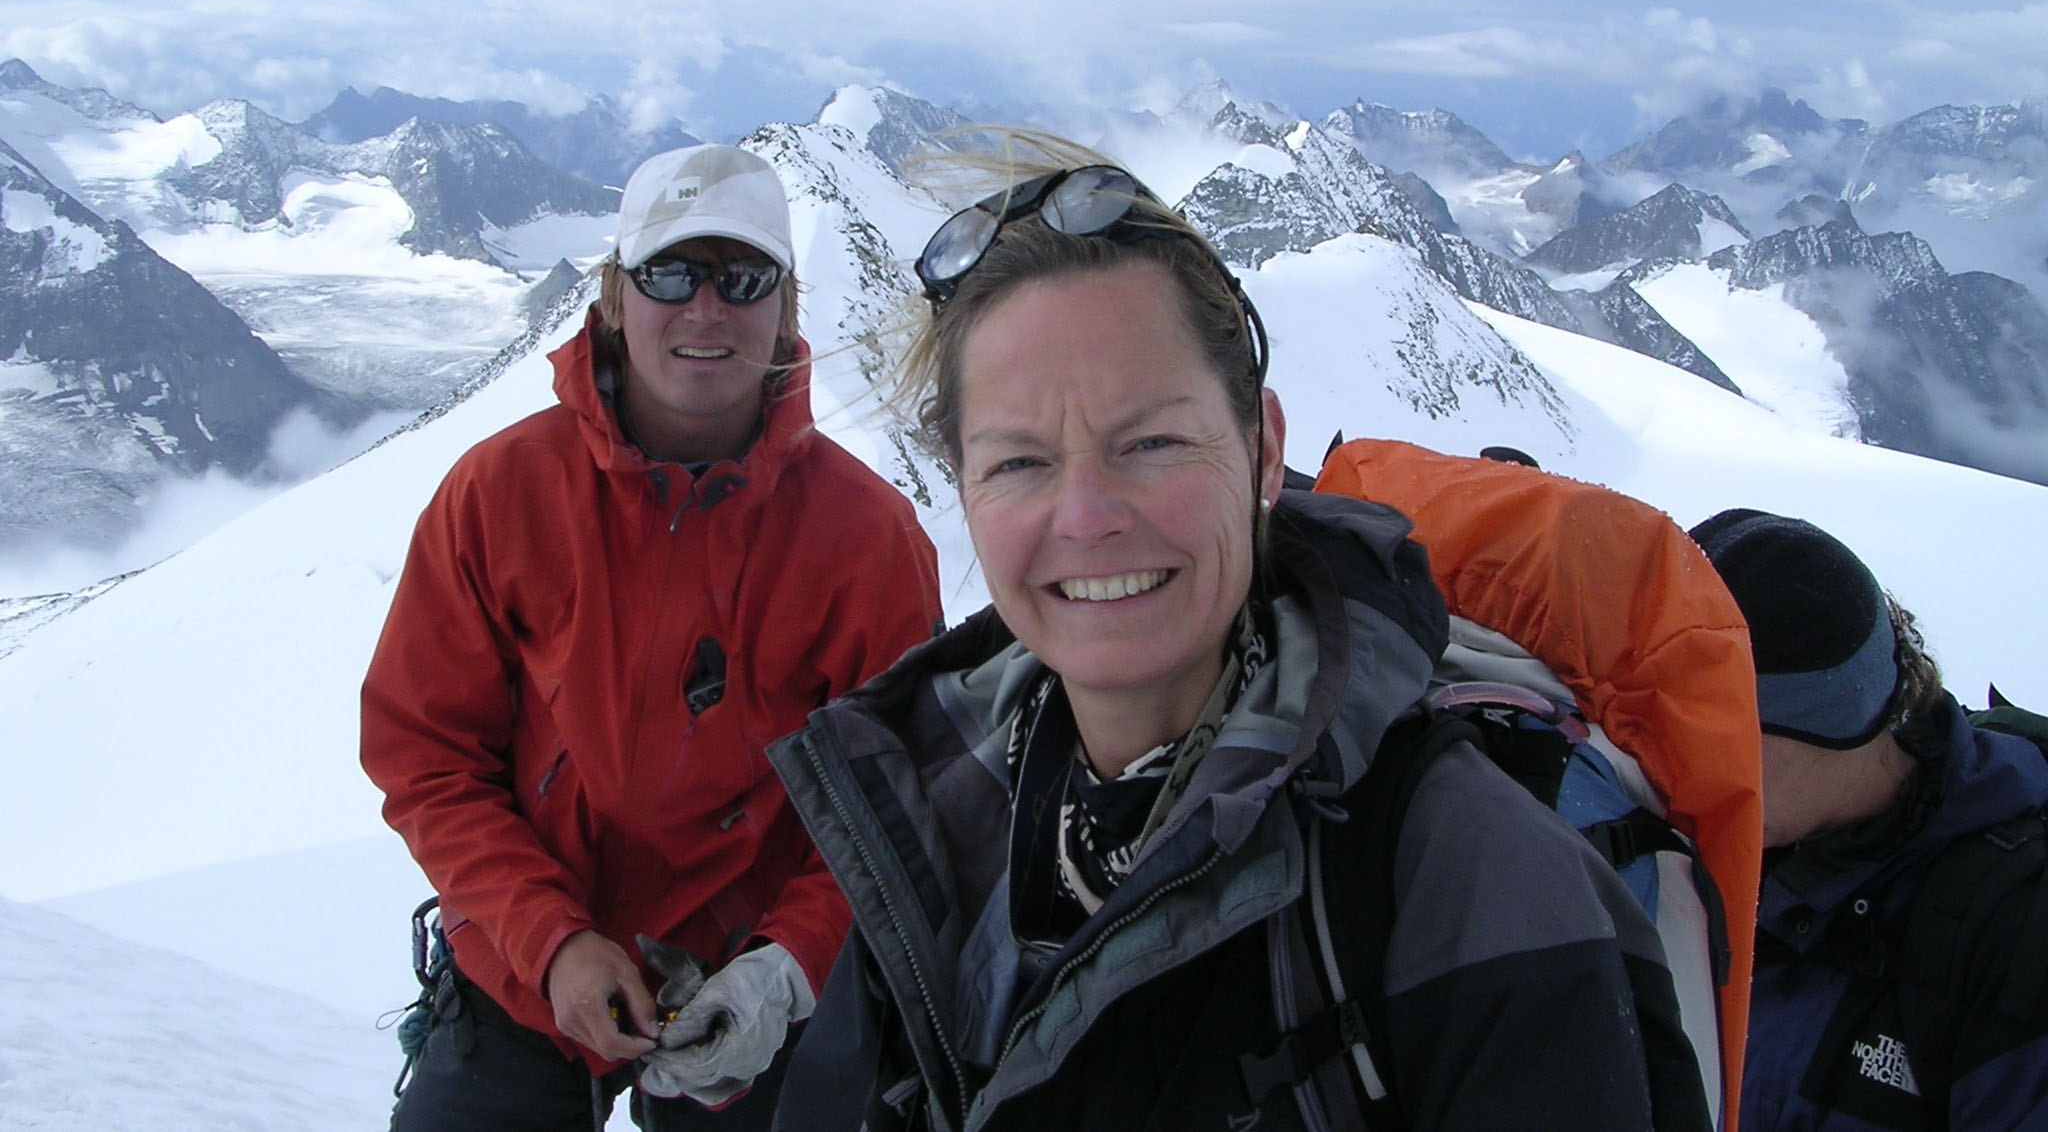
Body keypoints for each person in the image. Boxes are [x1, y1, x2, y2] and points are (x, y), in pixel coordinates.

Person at [765, 132, 1710, 1132]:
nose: (1085, 518)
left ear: (1263, 451)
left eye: (1152, 442)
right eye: (1017, 463)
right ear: (958, 484)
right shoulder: (922, 814)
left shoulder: (1469, 879)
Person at [361, 143, 944, 1132]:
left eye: (742, 277)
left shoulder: (866, 540)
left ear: (784, 306)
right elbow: (425, 751)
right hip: (523, 968)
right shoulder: (500, 495)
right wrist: (550, 942)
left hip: (750, 993)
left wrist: (787, 967)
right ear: (615, 297)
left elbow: (897, 798)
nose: (705, 309)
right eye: (670, 274)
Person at [1690, 509, 2048, 1131]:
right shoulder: (1691, 842)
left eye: (1722, 734)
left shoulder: (2014, 932)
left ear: (1834, 728)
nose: (1677, 765)